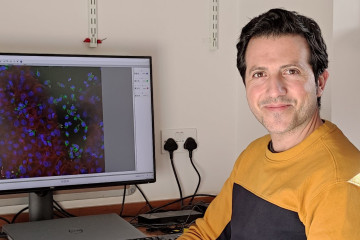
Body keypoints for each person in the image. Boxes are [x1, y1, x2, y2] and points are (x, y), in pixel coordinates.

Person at [178, 8, 360, 240]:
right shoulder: (253, 154)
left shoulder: (338, 184)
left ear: (320, 83)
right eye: (259, 74)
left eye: (291, 71)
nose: (274, 90)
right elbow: (206, 234)